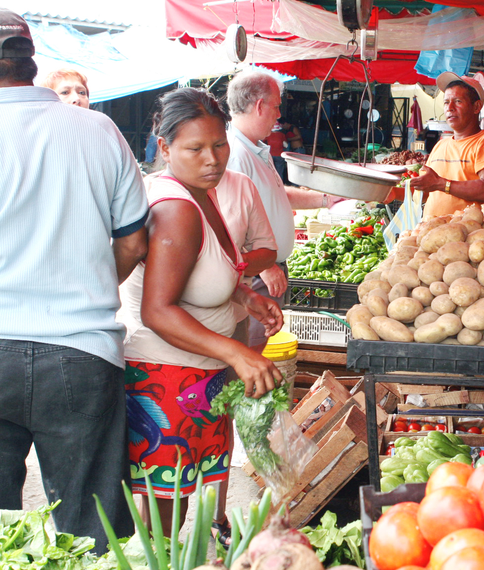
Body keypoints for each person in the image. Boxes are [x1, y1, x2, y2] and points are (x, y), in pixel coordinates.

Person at [0, 8, 148, 553]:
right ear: (31, 61)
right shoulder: (99, 129)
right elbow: (134, 241)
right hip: (82, 351)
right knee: (91, 537)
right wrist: (85, 285)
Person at [117, 87, 284, 534]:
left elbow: (199, 279)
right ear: (165, 147)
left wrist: (246, 297)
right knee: (162, 532)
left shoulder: (202, 194)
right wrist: (236, 353)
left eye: (219, 144)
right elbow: (158, 310)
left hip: (198, 379)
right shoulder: (176, 209)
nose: (212, 159)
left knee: (182, 519)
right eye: (195, 148)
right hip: (165, 382)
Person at [225, 70, 337, 350]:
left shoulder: (254, 150)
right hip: (254, 275)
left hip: (264, 268)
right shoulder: (235, 153)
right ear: (260, 105)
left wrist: (325, 199)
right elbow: (230, 221)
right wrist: (266, 266)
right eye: (276, 106)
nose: (278, 115)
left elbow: (276, 196)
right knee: (249, 352)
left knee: (256, 350)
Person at [409, 72, 484, 219]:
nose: (449, 108)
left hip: (467, 236)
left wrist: (440, 184)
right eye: (445, 102)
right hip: (431, 234)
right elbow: (425, 193)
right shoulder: (440, 145)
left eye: (457, 101)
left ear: (476, 107)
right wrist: (391, 193)